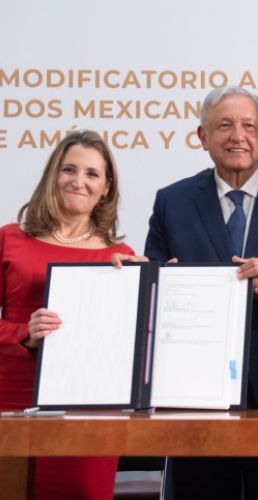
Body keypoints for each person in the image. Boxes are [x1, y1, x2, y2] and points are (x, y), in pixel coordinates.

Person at [144, 85, 258, 499]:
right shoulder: (172, 202)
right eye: (224, 125)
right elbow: (150, 293)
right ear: (202, 137)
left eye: (250, 126)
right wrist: (161, 286)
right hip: (192, 392)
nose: (238, 136)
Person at [0, 130, 134, 499]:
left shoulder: (121, 256)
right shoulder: (9, 238)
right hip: (12, 399)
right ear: (52, 176)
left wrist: (146, 285)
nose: (79, 181)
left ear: (106, 187)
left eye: (92, 174)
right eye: (69, 169)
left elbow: (129, 344)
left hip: (89, 408)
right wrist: (22, 334)